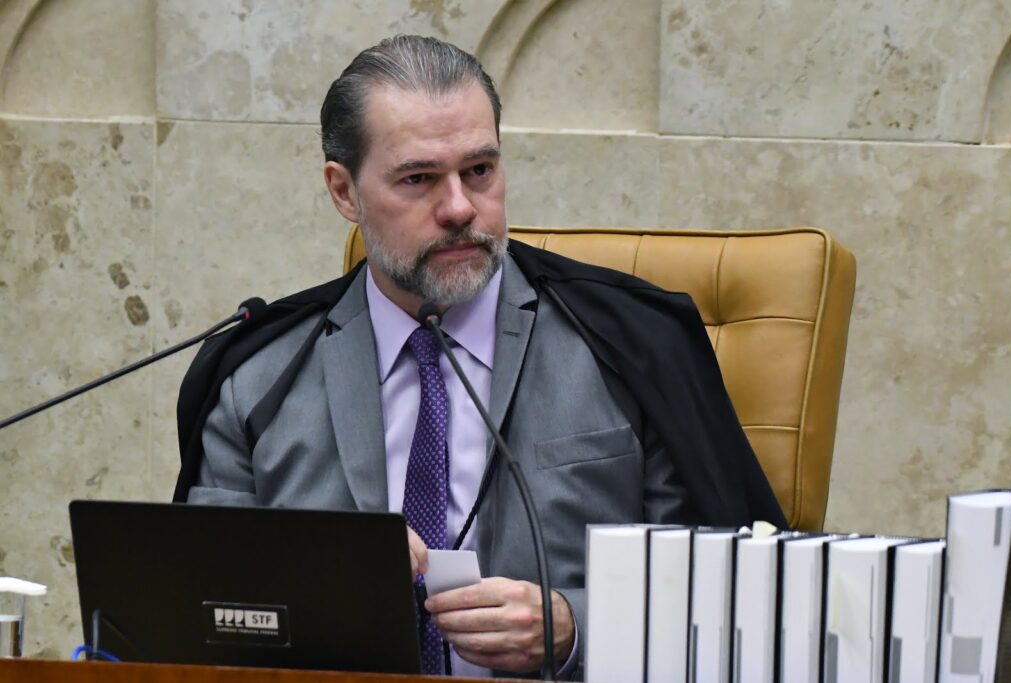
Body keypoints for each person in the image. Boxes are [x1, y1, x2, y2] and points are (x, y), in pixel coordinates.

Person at [174, 35, 785, 678]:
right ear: (344, 192)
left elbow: (732, 595)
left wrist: (576, 627)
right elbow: (204, 616)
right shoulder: (256, 376)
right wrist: (322, 584)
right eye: (418, 178)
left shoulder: (631, 347)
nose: (461, 208)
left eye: (480, 171)